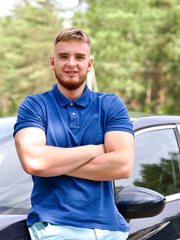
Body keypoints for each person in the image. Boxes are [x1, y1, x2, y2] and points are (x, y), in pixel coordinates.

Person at [14, 28, 134, 240]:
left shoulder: (110, 105)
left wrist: (54, 163)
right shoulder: (35, 106)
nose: (71, 63)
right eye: (63, 56)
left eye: (79, 57)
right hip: (55, 228)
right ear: (52, 62)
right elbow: (34, 162)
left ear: (89, 64)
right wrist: (94, 150)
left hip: (111, 230)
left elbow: (122, 165)